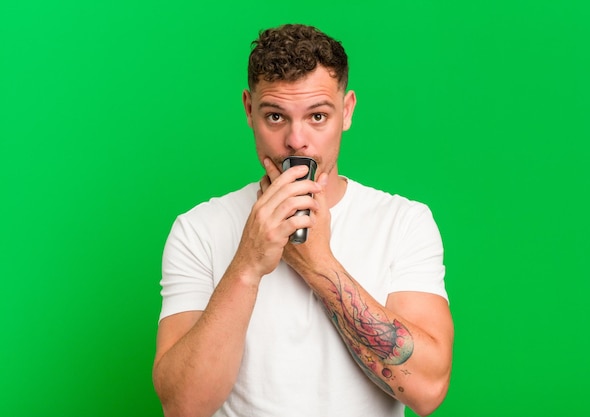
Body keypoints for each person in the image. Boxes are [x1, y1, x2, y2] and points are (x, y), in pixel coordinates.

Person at [152, 23, 453, 417]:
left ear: (346, 112)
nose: (296, 141)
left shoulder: (403, 223)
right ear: (249, 110)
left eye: (317, 116)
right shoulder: (198, 230)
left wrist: (317, 263)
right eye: (276, 117)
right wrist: (247, 264)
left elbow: (428, 390)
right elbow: (182, 406)